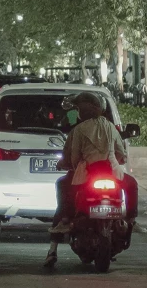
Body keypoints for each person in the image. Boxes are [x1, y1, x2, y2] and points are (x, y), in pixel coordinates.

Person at [43, 91, 132, 271]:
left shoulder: (78, 130)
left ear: (82, 111)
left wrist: (70, 165)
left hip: (86, 173)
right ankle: (132, 218)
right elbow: (122, 153)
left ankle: (61, 229)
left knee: (63, 187)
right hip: (112, 172)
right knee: (131, 185)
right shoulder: (110, 127)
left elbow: (74, 158)